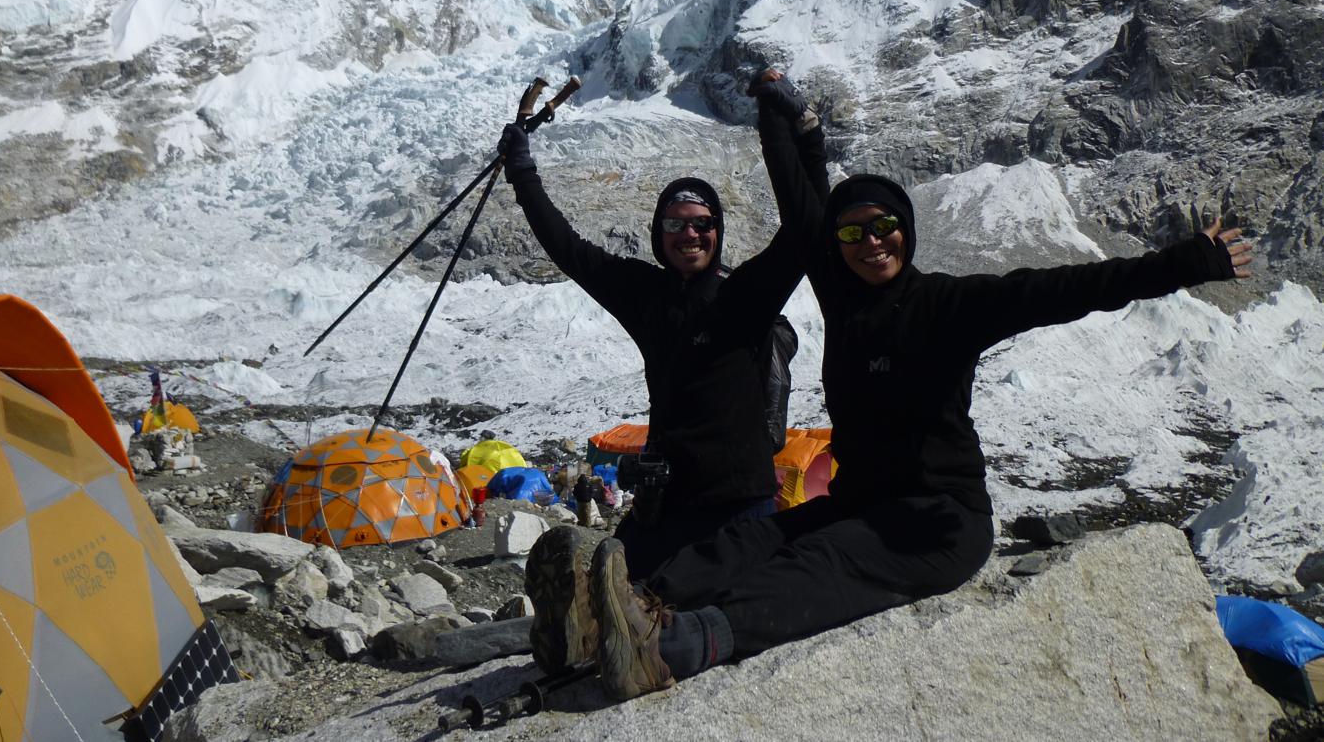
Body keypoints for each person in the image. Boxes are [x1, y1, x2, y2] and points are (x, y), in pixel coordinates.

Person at [548, 71, 1254, 700]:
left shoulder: (949, 305)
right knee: (754, 541)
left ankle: (674, 643)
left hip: (938, 521)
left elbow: (1074, 286)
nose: (871, 242)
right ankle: (625, 605)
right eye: (854, 236)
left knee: (816, 561)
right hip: (863, 502)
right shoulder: (846, 297)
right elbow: (805, 204)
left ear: (906, 233)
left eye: (884, 226)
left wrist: (1192, 260)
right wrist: (774, 113)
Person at [494, 105, 826, 672]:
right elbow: (568, 249)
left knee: (681, 602)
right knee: (613, 595)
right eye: (675, 223)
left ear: (717, 232)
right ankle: (578, 640)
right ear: (658, 233)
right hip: (667, 503)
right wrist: (522, 172)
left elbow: (805, 229)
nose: (689, 233)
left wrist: (808, 144)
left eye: (701, 223)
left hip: (738, 505)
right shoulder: (645, 295)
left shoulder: (745, 296)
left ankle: (623, 643)